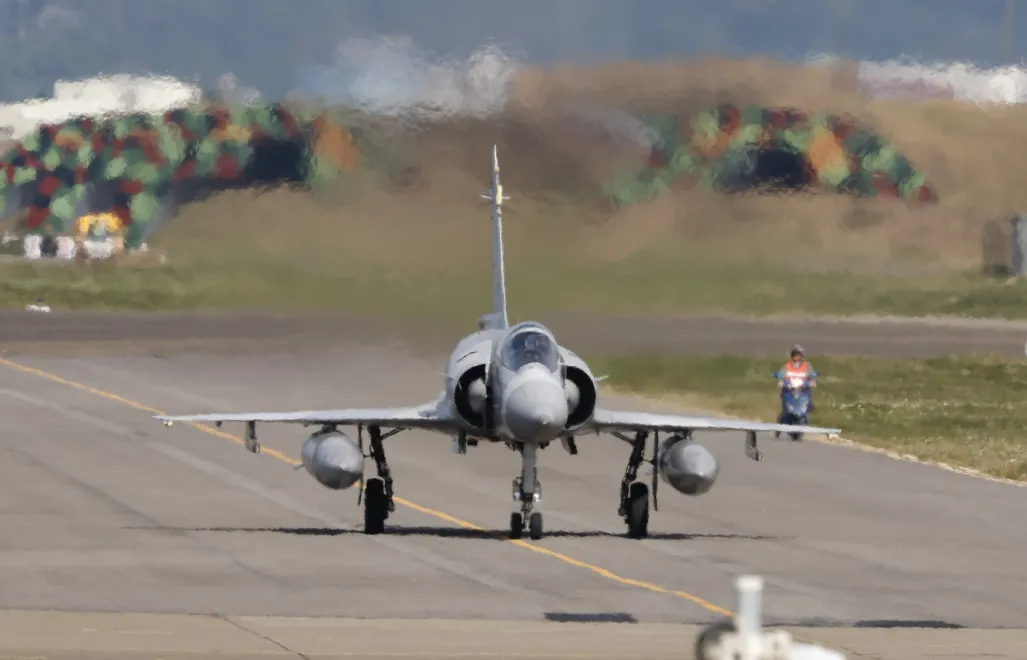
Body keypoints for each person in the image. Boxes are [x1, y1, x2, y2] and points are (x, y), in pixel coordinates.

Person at [775, 345, 817, 412]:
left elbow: (812, 375)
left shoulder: (807, 366)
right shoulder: (787, 366)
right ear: (792, 355)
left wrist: (812, 381)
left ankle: (806, 408)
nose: (797, 357)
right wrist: (780, 381)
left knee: (807, 399)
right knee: (785, 396)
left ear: (802, 356)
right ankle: (785, 412)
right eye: (795, 355)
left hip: (803, 390)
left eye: (799, 355)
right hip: (789, 389)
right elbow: (780, 375)